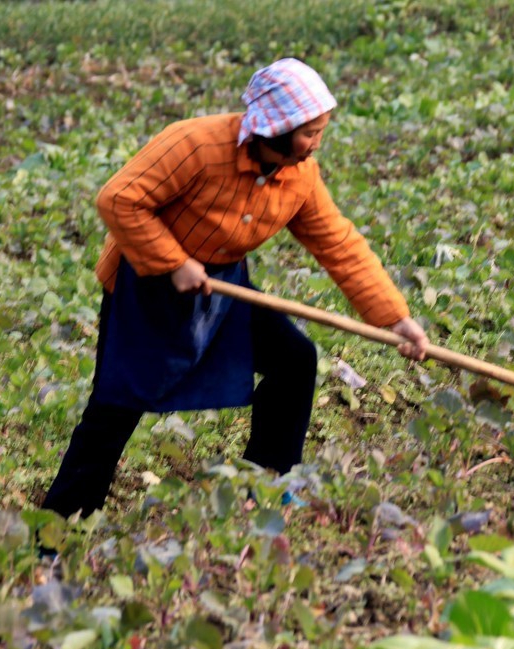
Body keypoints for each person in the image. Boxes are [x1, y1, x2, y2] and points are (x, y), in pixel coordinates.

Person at [42, 58, 428, 520]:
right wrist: (174, 262)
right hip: (146, 289)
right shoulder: (195, 145)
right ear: (277, 128)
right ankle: (60, 523)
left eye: (321, 130)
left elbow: (340, 246)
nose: (316, 142)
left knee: (294, 361)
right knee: (116, 405)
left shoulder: (300, 176)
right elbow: (119, 199)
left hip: (222, 289)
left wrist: (396, 318)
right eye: (309, 132)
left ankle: (267, 482)